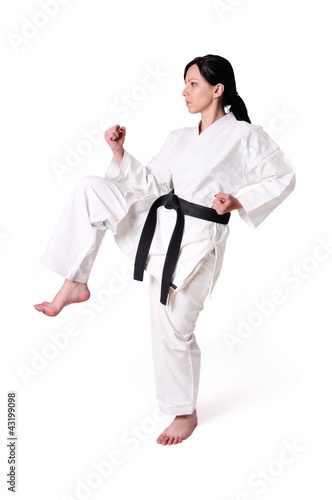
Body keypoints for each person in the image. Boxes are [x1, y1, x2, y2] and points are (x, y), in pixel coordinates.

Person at [34, 55, 296, 445]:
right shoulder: (179, 137)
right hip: (160, 224)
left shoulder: (245, 135)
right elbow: (152, 183)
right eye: (186, 83)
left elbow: (284, 177)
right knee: (91, 188)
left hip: (198, 240)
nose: (185, 92)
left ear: (217, 89)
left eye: (192, 84)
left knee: (173, 327)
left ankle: (184, 411)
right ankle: (75, 281)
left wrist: (238, 201)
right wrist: (121, 152)